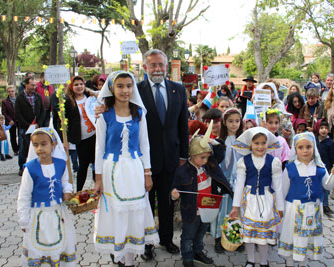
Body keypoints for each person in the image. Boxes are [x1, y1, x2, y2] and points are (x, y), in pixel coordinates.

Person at [94, 71, 159, 266]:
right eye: (120, 86)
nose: (125, 90)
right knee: (117, 211)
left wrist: (148, 173)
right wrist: (98, 178)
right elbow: (99, 147)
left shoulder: (139, 113)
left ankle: (130, 257)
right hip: (112, 168)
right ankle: (119, 255)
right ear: (112, 89)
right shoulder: (104, 115)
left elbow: (145, 144)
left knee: (134, 211)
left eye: (129, 86)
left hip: (134, 169)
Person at [137, 49, 189, 258]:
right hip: (145, 160)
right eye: (153, 65)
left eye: (161, 65)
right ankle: (147, 244)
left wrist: (184, 156)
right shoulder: (136, 91)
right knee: (146, 203)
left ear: (166, 66)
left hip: (171, 158)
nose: (157, 69)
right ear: (145, 67)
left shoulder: (178, 90)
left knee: (168, 202)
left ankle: (166, 239)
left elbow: (182, 124)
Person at [171, 123, 232, 267]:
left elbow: (220, 153)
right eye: (202, 157)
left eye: (207, 157)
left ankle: (198, 251)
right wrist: (174, 194)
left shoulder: (209, 165)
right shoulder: (182, 171)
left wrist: (213, 142)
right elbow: (175, 188)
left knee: (200, 234)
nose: (206, 160)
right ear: (192, 155)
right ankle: (187, 257)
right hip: (191, 211)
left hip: (207, 209)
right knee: (187, 236)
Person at [17, 127, 76, 267]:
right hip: (38, 215)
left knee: (59, 244)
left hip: (58, 212)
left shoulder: (61, 164)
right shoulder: (30, 168)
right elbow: (24, 195)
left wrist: (68, 193)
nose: (39, 148)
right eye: (36, 145)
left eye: (44, 144)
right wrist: (24, 219)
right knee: (40, 248)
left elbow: (65, 183)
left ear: (53, 145)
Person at [278, 132, 334, 266]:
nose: (305, 151)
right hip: (293, 209)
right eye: (300, 147)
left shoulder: (320, 167)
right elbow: (283, 190)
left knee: (307, 238)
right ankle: (289, 262)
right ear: (295, 149)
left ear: (314, 148)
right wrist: (280, 208)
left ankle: (302, 263)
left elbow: (328, 186)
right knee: (291, 235)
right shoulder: (290, 168)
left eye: (308, 147)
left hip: (313, 209)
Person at [230, 127, 284, 267]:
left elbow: (278, 187)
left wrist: (280, 207)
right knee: (249, 235)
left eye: (263, 143)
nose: (260, 146)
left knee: (263, 235)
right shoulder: (244, 162)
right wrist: (235, 207)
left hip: (266, 200)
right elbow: (239, 185)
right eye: (257, 143)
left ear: (268, 143)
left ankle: (264, 261)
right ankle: (251, 260)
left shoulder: (274, 162)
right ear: (250, 144)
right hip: (249, 201)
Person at [211, 108, 243, 253]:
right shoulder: (220, 141)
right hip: (224, 181)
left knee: (235, 209)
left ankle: (235, 237)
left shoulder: (243, 140)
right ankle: (218, 238)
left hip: (238, 181)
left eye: (237, 121)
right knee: (221, 210)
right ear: (224, 122)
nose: (234, 124)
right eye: (230, 121)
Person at [65, 76, 96, 192]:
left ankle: (97, 188)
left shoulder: (90, 97)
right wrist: (65, 139)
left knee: (96, 164)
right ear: (72, 87)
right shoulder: (69, 101)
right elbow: (62, 121)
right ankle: (79, 191)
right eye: (76, 85)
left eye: (81, 84)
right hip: (81, 139)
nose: (79, 87)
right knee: (83, 165)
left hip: (94, 135)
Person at [15, 76, 45, 176]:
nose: (34, 87)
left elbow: (42, 111)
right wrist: (27, 125)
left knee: (36, 147)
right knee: (23, 148)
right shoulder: (20, 97)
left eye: (35, 85)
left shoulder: (38, 96)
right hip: (25, 127)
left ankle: (36, 167)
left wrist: (38, 124)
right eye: (32, 85)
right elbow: (18, 113)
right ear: (26, 84)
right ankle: (22, 167)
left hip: (36, 127)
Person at [314, 119, 334, 216]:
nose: (324, 130)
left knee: (325, 187)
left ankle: (325, 205)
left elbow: (332, 156)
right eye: (321, 128)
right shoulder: (314, 140)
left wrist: (333, 166)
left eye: (326, 128)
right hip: (315, 167)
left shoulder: (329, 142)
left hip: (325, 168)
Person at [1, 85, 18, 155]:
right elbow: (4, 112)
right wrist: (9, 120)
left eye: (12, 91)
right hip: (11, 121)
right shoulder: (5, 101)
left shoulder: (19, 99)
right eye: (9, 91)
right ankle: (15, 150)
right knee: (13, 136)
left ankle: (21, 148)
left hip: (19, 120)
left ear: (15, 91)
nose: (11, 93)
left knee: (21, 136)